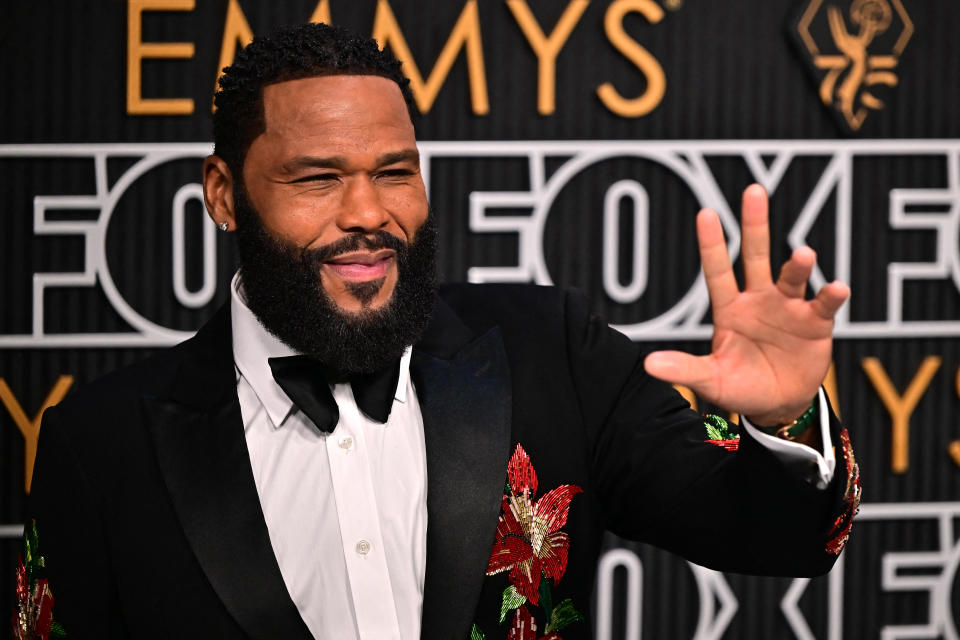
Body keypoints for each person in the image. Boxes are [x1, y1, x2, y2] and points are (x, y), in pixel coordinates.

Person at [16, 22, 859, 640]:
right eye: (318, 178)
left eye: (395, 172)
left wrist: (784, 422)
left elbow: (776, 538)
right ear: (225, 194)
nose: (368, 214)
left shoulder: (547, 350)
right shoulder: (100, 445)